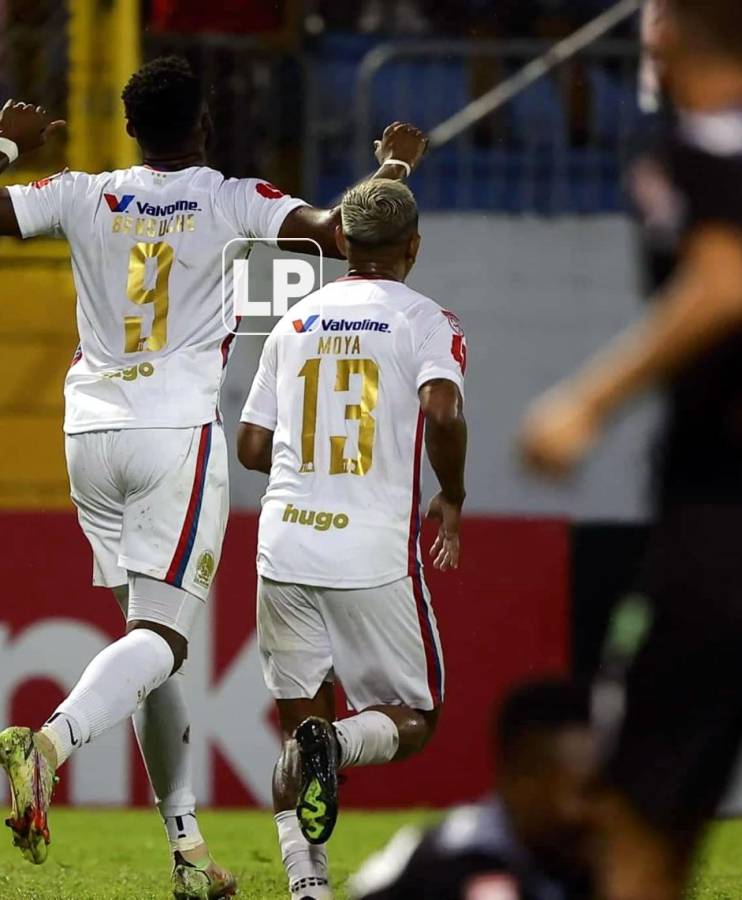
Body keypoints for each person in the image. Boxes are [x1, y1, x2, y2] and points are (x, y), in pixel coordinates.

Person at [0, 55, 428, 899]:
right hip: (175, 433)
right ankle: (47, 745)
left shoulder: (81, 192)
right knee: (161, 640)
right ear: (204, 125)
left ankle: (187, 850)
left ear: (129, 129)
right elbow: (349, 232)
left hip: (91, 431)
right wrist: (394, 167)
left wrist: (4, 145)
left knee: (145, 639)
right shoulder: (234, 198)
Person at [520, 2, 742, 898]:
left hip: (730, 527)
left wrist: (586, 403)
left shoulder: (694, 154)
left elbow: (728, 283)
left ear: (657, 36)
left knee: (641, 818)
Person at [236, 178, 468, 900]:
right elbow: (444, 410)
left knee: (298, 726)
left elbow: (250, 445)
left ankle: (308, 890)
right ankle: (336, 745)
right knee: (416, 718)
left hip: (284, 546)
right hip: (370, 552)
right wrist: (452, 496)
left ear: (341, 244)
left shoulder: (293, 321)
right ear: (413, 248)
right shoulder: (428, 320)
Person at [349, 680, 597, 900]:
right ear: (512, 777)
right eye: (560, 787)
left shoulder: (599, 849)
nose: (575, 809)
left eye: (591, 790)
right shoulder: (455, 861)